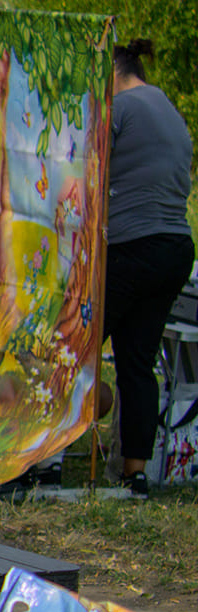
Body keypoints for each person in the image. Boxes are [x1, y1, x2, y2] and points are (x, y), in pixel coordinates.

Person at [104, 38, 194, 499]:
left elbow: (86, 170)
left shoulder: (120, 108)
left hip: (132, 247)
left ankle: (39, 457)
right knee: (138, 362)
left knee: (71, 353)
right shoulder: (166, 108)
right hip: (176, 248)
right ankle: (134, 474)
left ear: (113, 72)